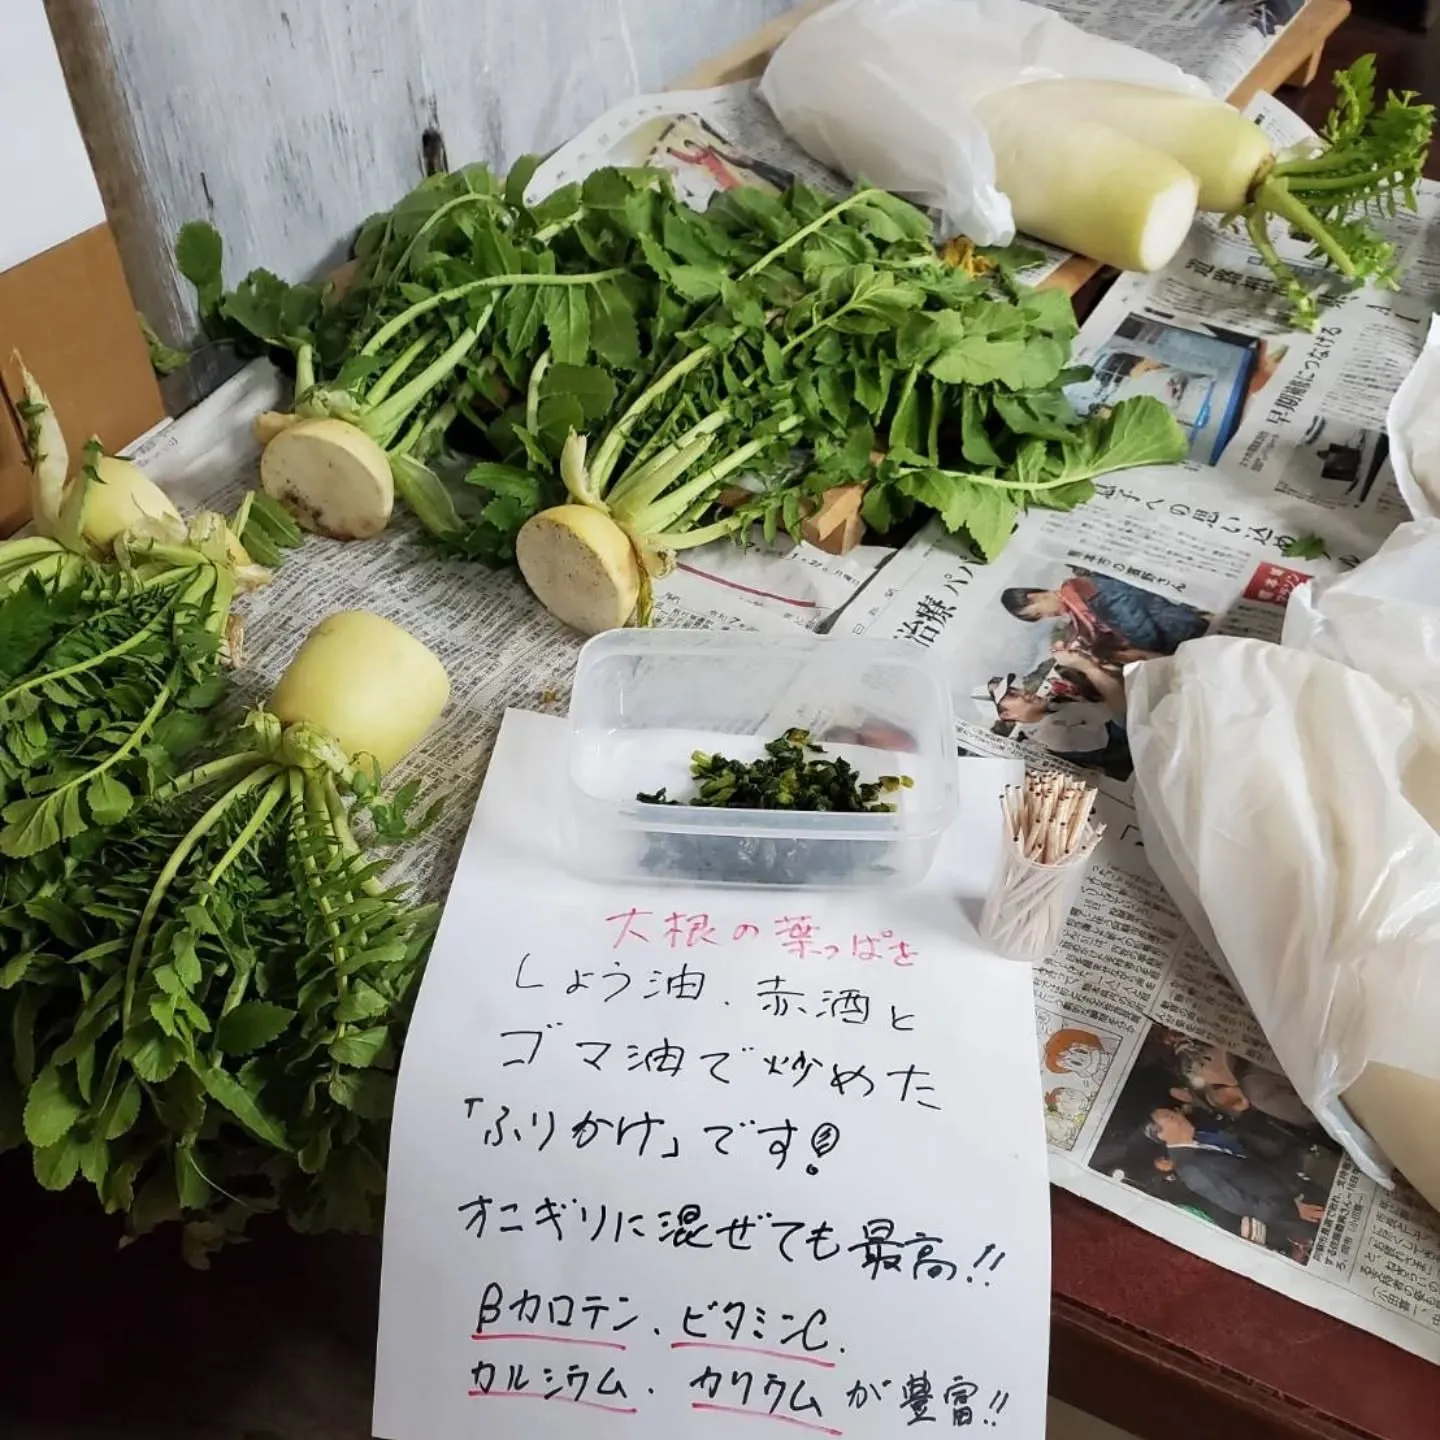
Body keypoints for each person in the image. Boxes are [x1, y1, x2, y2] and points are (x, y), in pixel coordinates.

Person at [1146, 1106, 1328, 1231]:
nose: (1180, 1116)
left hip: (1293, 1183)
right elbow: (1242, 1204)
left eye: (1174, 1112)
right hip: (1297, 1207)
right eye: (1170, 1118)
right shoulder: (1190, 1168)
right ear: (1161, 1135)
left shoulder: (1201, 1138)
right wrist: (1293, 1210)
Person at [1001, 569, 1212, 661]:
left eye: (1040, 612)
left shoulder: (1086, 591)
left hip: (1178, 631)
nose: (1049, 616)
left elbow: (1135, 623)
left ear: (1035, 596)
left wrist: (1140, 650)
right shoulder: (1078, 610)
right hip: (1176, 637)